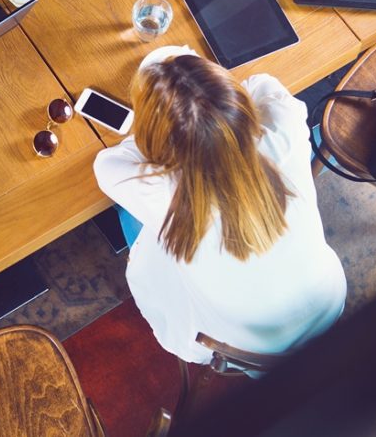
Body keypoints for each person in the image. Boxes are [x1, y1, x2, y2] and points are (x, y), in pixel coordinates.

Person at [94, 46, 346, 366]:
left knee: (126, 214)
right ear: (237, 107)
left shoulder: (161, 191)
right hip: (326, 305)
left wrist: (150, 130)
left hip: (249, 348)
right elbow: (262, 82)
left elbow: (106, 165)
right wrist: (212, 105)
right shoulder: (284, 132)